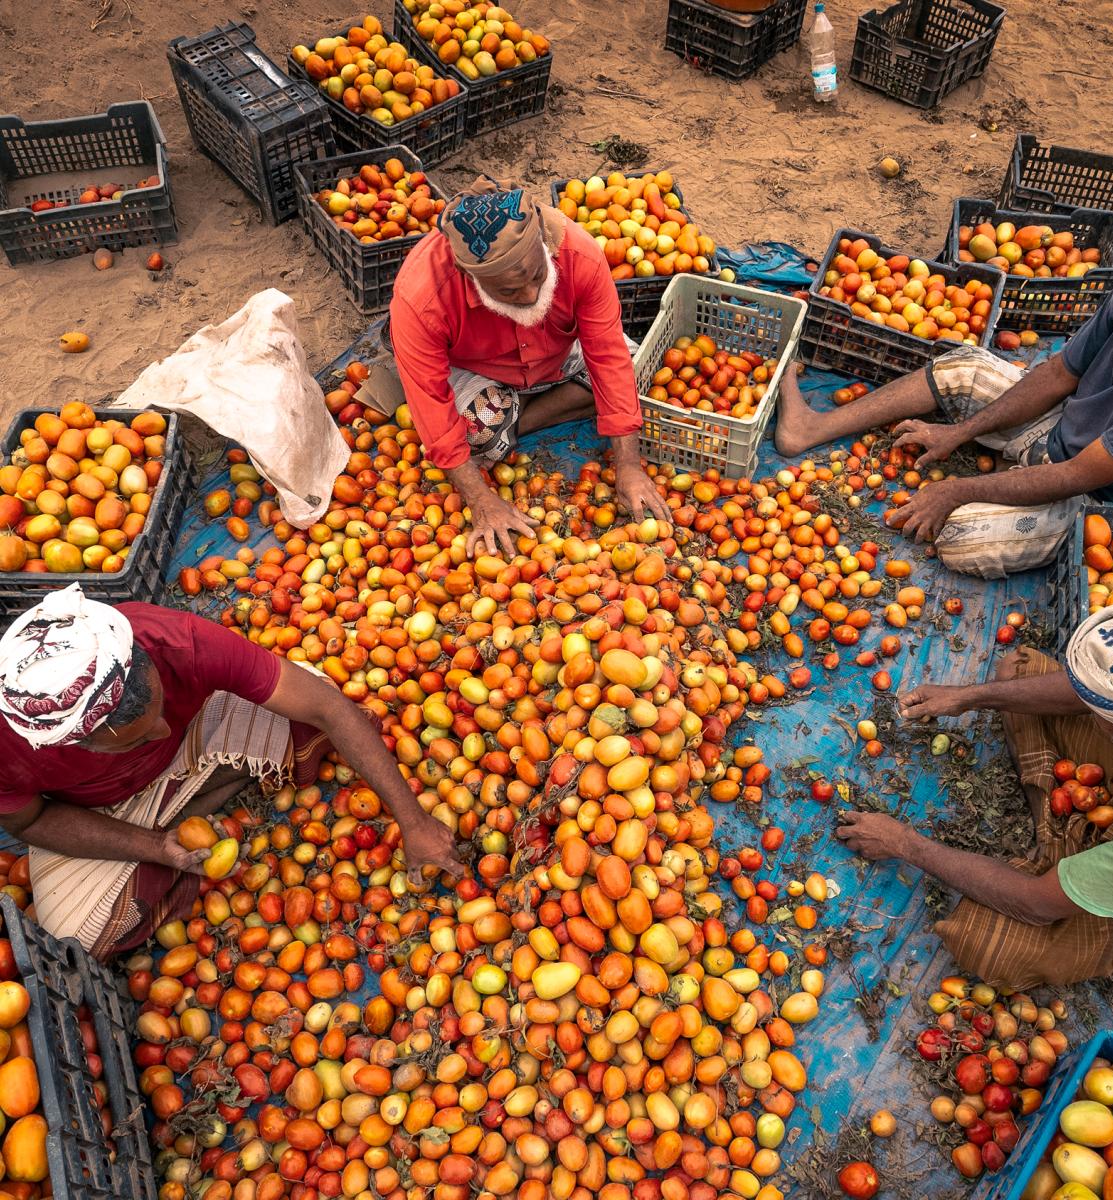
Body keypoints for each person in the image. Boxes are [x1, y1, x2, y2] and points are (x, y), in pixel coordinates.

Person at [0, 586, 461, 960]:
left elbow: (327, 708)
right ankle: (172, 825)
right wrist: (155, 847)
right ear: (71, 740)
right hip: (95, 808)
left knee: (317, 700)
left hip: (199, 735)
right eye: (139, 738)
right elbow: (33, 822)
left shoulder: (173, 639)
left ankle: (182, 814)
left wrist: (414, 821)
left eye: (160, 709)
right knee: (71, 940)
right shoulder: (8, 747)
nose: (160, 730)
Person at [776, 201, 1113, 576]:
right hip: (1067, 431)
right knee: (962, 364)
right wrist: (958, 433)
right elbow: (1058, 376)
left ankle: (1011, 480)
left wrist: (956, 489)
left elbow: (1075, 476)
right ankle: (808, 430)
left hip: (1101, 499)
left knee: (962, 538)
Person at [835, 592, 1113, 989]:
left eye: (1105, 712)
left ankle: (1079, 862)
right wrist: (968, 696)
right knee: (1020, 671)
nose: (1090, 707)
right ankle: (1076, 849)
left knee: (989, 943)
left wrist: (904, 843)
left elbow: (1035, 905)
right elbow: (1090, 691)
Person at [389, 175, 670, 556]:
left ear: (545, 246)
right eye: (507, 292)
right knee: (479, 432)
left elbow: (607, 356)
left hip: (558, 356)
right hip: (477, 369)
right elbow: (431, 406)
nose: (529, 296)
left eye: (538, 275)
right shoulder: (422, 297)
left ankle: (519, 420)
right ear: (472, 278)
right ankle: (517, 416)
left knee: (640, 368)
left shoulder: (580, 255)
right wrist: (480, 500)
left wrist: (629, 465)